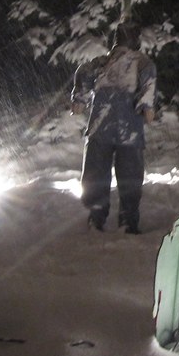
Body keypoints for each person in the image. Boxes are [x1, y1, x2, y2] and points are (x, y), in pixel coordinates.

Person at [70, 21, 157, 233]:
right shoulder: (143, 63)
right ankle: (128, 220)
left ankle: (96, 217)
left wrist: (79, 99)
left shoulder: (100, 62)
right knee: (130, 176)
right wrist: (147, 110)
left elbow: (82, 76)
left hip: (101, 126)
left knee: (96, 174)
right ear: (136, 39)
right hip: (129, 129)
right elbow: (148, 96)